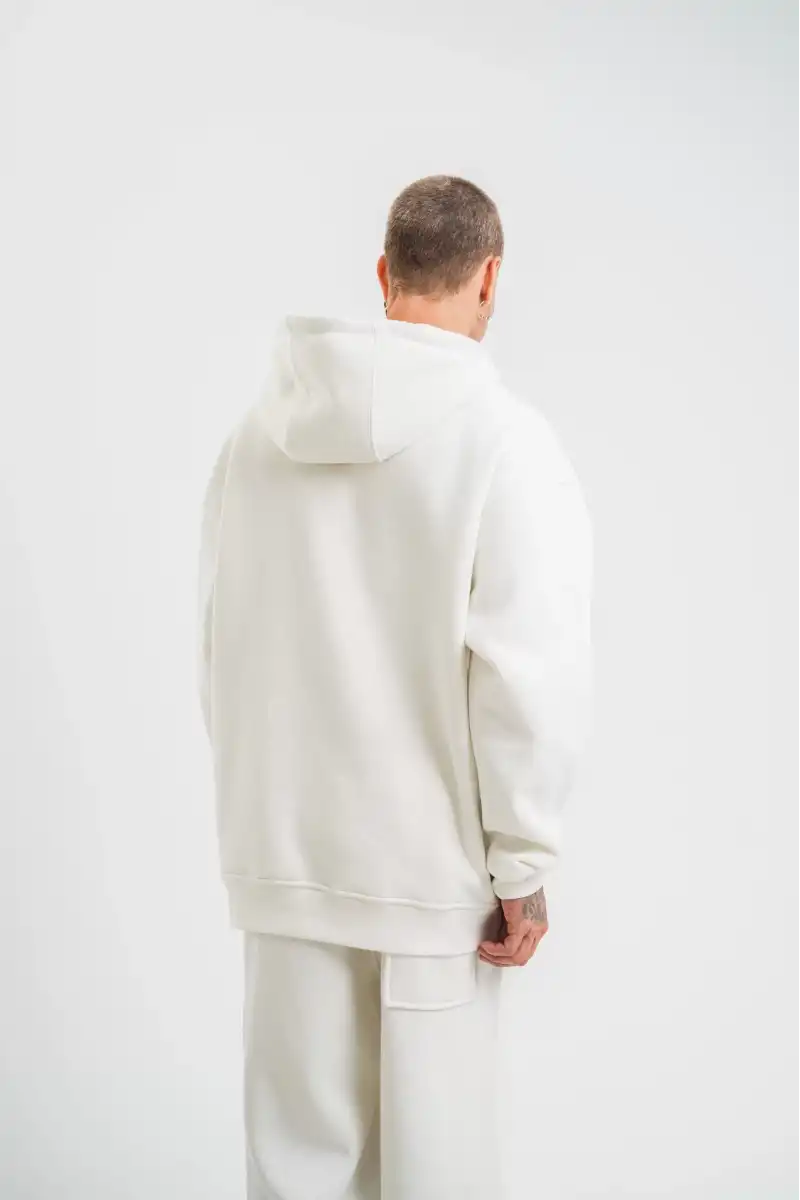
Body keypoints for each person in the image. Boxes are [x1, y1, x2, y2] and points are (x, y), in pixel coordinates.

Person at [197, 174, 594, 1200]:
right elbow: (525, 674)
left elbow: (219, 640)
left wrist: (258, 823)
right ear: (490, 279)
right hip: (430, 884)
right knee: (434, 1174)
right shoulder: (504, 443)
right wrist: (521, 863)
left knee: (293, 1174)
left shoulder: (255, 438)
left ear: (383, 273)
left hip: (283, 866)